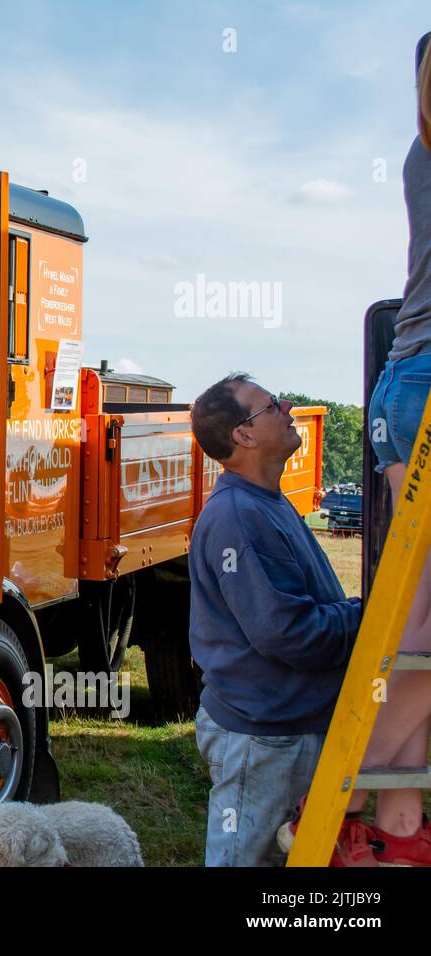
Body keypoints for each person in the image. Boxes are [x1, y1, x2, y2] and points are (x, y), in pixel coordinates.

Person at [187, 374, 363, 866]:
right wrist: (364, 618)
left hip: (283, 730)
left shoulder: (269, 503)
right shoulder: (239, 516)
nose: (288, 406)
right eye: (270, 406)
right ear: (242, 435)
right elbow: (286, 632)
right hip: (264, 739)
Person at [344, 30, 431, 866]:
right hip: (424, 376)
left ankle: (396, 825)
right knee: (427, 619)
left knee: (420, 616)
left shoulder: (419, 146)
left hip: (408, 379)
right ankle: (355, 778)